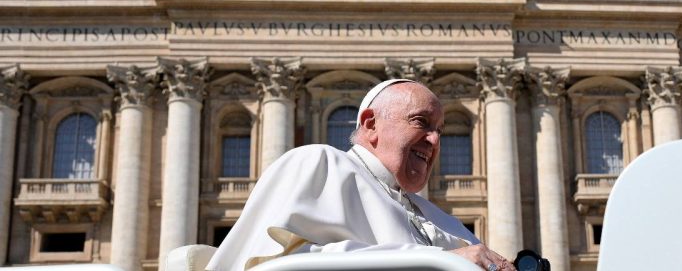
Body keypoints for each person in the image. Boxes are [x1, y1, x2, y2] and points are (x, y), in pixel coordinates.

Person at [206, 79, 516, 271]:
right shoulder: (319, 164)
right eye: (421, 122)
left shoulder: (437, 216)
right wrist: (441, 262)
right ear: (370, 124)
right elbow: (275, 266)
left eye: (439, 131)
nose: (435, 141)